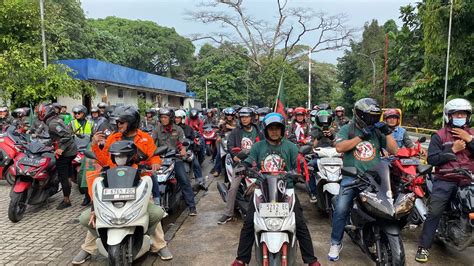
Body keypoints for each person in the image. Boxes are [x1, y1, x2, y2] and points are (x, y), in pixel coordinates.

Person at [71, 105, 173, 264]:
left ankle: (159, 245)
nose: (118, 126)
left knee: (154, 212)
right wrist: (95, 145)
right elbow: (105, 160)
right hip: (114, 183)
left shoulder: (145, 138)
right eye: (118, 123)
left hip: (138, 182)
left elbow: (154, 156)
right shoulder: (114, 137)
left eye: (122, 123)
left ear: (131, 122)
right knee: (97, 214)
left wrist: (155, 164)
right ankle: (88, 248)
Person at [231, 113, 320, 266]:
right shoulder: (258, 146)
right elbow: (249, 160)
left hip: (287, 190)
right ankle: (241, 259)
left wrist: (299, 173)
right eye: (271, 129)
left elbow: (297, 166)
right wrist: (243, 166)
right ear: (265, 130)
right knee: (249, 222)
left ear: (282, 129)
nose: (274, 131)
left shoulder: (291, 147)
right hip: (262, 189)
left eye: (277, 128)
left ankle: (311, 260)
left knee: (299, 223)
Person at [328, 98, 398, 261]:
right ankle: (335, 242)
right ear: (360, 115)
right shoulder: (347, 128)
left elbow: (394, 150)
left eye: (375, 116)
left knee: (388, 206)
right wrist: (361, 137)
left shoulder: (377, 131)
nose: (373, 120)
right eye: (370, 116)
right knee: (341, 208)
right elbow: (339, 147)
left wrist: (387, 132)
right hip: (352, 177)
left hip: (375, 178)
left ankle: (379, 234)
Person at [415, 98, 474, 263]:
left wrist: (469, 140)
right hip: (446, 179)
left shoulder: (472, 133)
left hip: (468, 178)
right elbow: (432, 159)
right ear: (450, 116)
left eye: (463, 114)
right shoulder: (439, 135)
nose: (460, 116)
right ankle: (423, 247)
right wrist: (452, 149)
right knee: (435, 212)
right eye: (457, 114)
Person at [217, 107, 264, 224]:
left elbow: (265, 145)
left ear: (252, 118)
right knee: (233, 187)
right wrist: (235, 155)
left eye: (247, 117)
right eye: (242, 117)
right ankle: (228, 213)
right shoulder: (236, 131)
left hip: (257, 164)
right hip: (242, 163)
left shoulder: (259, 131)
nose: (244, 119)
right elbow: (230, 145)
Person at [154, 107, 198, 216]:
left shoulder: (178, 129)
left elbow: (182, 143)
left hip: (175, 159)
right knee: (151, 180)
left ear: (171, 118)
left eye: (165, 117)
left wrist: (183, 150)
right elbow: (151, 143)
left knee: (184, 180)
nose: (163, 119)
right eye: (161, 117)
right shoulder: (157, 129)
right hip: (160, 159)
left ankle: (192, 207)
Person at [37, 103, 78, 210]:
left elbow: (66, 136)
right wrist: (45, 143)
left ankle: (66, 200)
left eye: (41, 113)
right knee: (68, 174)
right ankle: (68, 187)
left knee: (62, 176)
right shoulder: (56, 120)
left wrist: (61, 148)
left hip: (66, 152)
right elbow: (57, 136)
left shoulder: (52, 124)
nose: (40, 115)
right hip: (71, 150)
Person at [306, 110, 336, 202]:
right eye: (322, 119)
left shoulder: (333, 130)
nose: (324, 122)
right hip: (319, 157)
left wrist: (331, 137)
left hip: (333, 157)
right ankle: (313, 192)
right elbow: (312, 145)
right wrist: (319, 136)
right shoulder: (314, 131)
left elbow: (338, 145)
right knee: (310, 166)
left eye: (326, 119)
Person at [175, 109, 207, 190]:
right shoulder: (171, 128)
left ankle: (200, 181)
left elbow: (193, 138)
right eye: (175, 117)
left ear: (182, 118)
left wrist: (193, 142)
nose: (176, 119)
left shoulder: (188, 128)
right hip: (172, 152)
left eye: (178, 118)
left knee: (196, 164)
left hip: (187, 150)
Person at [210, 107, 238, 177]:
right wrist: (218, 136)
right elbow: (218, 130)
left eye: (231, 115)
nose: (229, 116)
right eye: (228, 115)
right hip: (224, 140)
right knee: (219, 154)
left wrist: (231, 127)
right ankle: (217, 170)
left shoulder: (237, 122)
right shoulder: (222, 122)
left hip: (234, 140)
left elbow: (239, 129)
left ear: (233, 115)